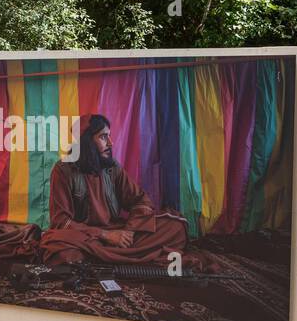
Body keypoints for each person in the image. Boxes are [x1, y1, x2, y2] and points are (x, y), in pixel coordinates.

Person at [38, 113, 188, 265]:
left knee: (176, 227)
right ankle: (120, 254)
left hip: (116, 231)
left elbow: (140, 200)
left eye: (109, 136)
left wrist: (128, 232)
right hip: (84, 237)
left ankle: (102, 257)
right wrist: (104, 235)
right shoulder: (63, 170)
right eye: (103, 137)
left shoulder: (112, 168)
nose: (111, 143)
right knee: (60, 249)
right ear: (87, 141)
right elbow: (61, 222)